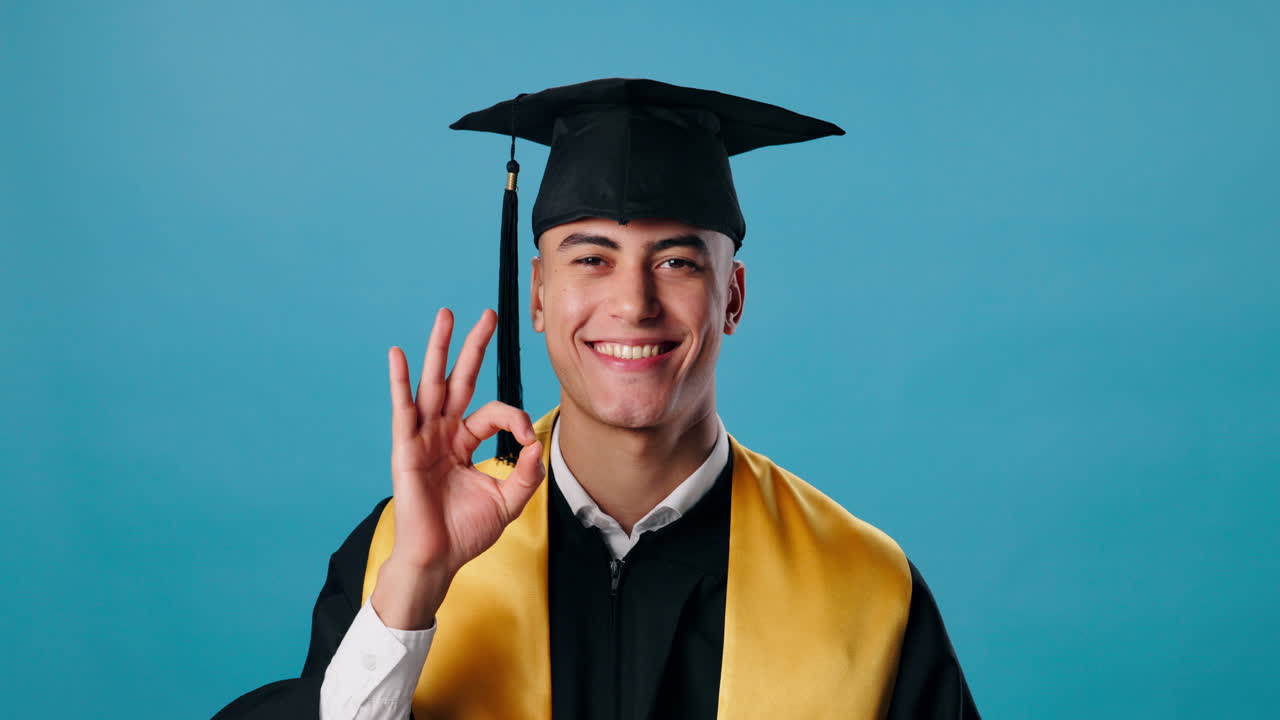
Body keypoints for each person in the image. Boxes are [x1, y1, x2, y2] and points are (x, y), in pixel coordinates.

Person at [214, 78, 979, 720]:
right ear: (538, 294)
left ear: (734, 298)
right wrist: (411, 588)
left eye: (677, 262)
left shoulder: (865, 588)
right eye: (591, 259)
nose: (633, 303)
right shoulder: (402, 551)